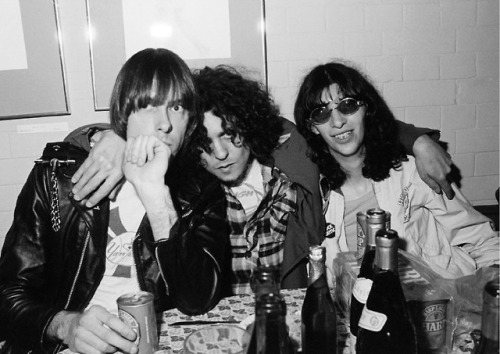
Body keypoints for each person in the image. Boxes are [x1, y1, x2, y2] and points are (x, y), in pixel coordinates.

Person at [0, 48, 230, 354]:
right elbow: (7, 296)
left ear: (190, 119)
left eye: (176, 107)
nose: (164, 124)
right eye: (148, 105)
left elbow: (198, 300)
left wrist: (158, 201)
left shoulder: (201, 191)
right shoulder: (58, 177)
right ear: (124, 112)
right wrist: (65, 326)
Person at [294, 61, 499, 279]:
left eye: (347, 105)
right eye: (321, 113)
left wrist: (490, 288)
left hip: (427, 302)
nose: (337, 121)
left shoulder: (412, 173)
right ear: (312, 127)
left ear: (366, 109)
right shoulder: (308, 190)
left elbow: (480, 238)